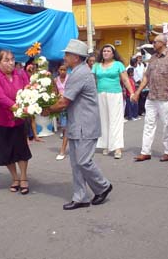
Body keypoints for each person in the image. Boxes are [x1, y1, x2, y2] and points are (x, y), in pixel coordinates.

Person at [43, 39, 112, 210]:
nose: (64, 57)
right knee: (76, 163)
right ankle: (80, 197)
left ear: (76, 57)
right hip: (78, 123)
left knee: (83, 161)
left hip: (85, 125)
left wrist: (46, 109)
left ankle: (103, 186)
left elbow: (64, 102)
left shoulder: (80, 73)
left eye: (67, 54)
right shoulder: (77, 72)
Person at [0, 49, 31, 195]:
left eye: (12, 59)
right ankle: (15, 178)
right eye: (6, 60)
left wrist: (31, 100)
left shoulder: (20, 74)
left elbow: (28, 89)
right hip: (0, 119)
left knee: (21, 149)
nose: (11, 63)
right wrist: (16, 107)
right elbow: (0, 97)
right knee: (6, 151)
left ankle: (23, 177)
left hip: (17, 119)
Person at [132, 34, 168, 162]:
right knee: (148, 125)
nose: (153, 44)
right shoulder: (153, 58)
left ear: (163, 43)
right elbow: (146, 77)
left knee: (167, 125)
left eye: (155, 42)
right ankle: (145, 151)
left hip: (166, 97)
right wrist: (137, 92)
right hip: (152, 97)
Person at [92, 44, 135, 159]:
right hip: (100, 94)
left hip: (115, 94)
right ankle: (106, 145)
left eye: (108, 51)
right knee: (103, 120)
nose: (105, 53)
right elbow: (92, 81)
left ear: (113, 53)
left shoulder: (118, 65)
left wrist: (132, 93)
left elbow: (125, 80)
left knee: (115, 120)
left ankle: (117, 148)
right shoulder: (96, 66)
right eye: (104, 51)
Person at [54, 64, 69, 161]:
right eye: (61, 69)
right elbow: (55, 91)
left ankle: (62, 150)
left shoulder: (70, 78)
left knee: (66, 127)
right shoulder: (55, 80)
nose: (62, 71)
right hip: (60, 104)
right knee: (64, 126)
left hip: (69, 103)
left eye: (64, 70)